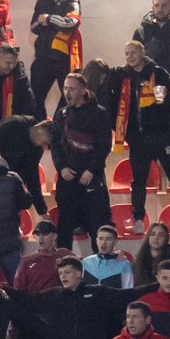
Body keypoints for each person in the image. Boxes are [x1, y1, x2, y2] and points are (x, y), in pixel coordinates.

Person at [103, 39, 170, 231]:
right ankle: (138, 218)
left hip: (161, 134)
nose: (129, 56)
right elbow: (112, 104)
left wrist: (165, 99)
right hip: (137, 137)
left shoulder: (159, 74)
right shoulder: (121, 76)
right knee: (138, 180)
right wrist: (124, 133)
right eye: (126, 53)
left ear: (142, 53)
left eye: (133, 52)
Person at [49, 72, 112, 249]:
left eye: (72, 89)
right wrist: (61, 167)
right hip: (67, 179)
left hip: (92, 178)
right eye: (65, 88)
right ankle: (64, 262)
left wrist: (91, 170)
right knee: (64, 226)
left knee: (97, 225)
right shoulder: (62, 114)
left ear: (84, 91)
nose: (67, 92)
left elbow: (104, 145)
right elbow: (54, 144)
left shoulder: (99, 113)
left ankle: (98, 262)